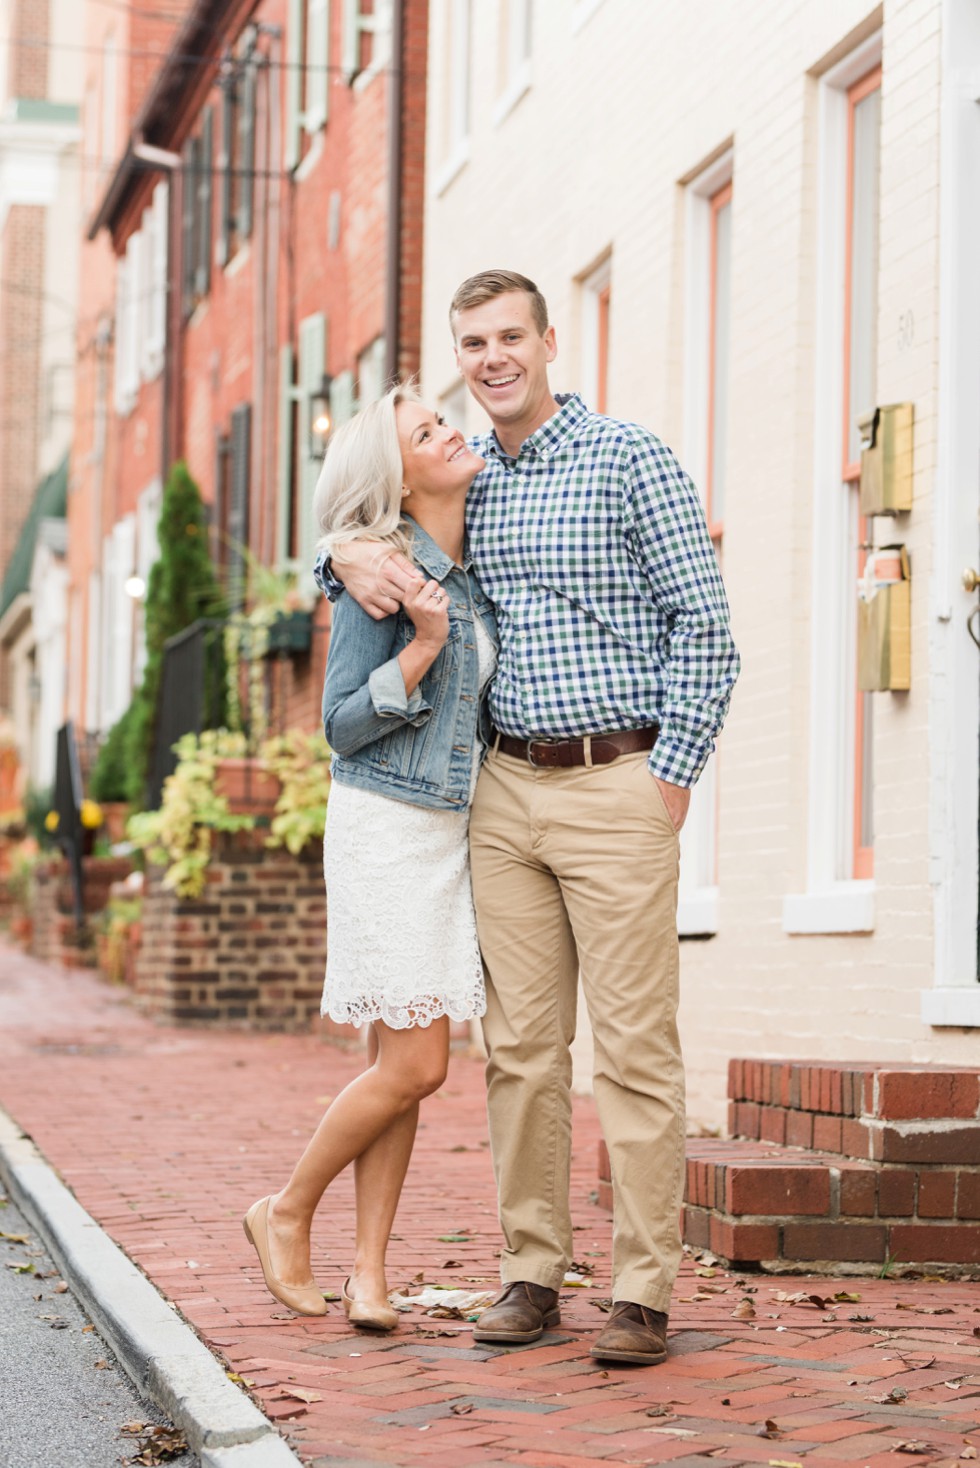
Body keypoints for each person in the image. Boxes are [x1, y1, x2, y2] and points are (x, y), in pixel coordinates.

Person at [325, 269, 740, 1366]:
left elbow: (704, 627)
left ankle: (643, 1289)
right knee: (520, 1049)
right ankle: (528, 1273)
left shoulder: (629, 457)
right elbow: (372, 517)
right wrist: (335, 550)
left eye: (510, 334)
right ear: (461, 357)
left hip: (617, 777)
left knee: (636, 1048)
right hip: (501, 793)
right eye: (473, 341)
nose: (492, 356)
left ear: (548, 340)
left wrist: (672, 777)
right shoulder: (471, 482)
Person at [243, 384, 497, 1331]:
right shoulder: (381, 577)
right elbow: (340, 726)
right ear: (397, 475)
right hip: (386, 828)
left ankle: (369, 1275)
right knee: (420, 1065)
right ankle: (285, 1210)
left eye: (440, 418)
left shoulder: (469, 552)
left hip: (444, 831)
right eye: (427, 431)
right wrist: (424, 649)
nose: (450, 428)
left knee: (404, 1057)